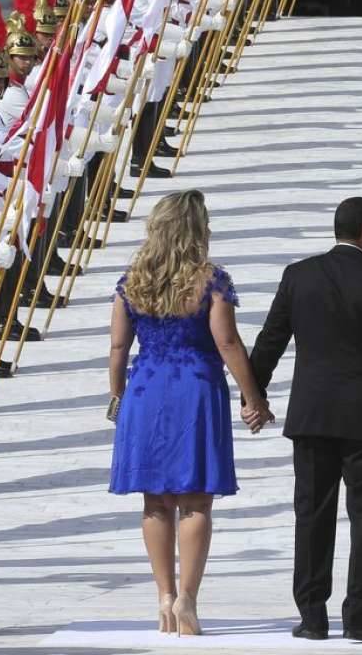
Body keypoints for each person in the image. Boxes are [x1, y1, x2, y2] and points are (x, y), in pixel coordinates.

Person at [249, 197, 362, 643]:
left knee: (312, 514)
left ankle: (312, 616)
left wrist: (254, 394)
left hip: (313, 415)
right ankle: (360, 615)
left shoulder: (299, 275)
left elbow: (270, 340)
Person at [107, 190, 273, 637]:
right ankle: (188, 598)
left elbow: (119, 347)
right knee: (196, 500)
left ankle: (163, 596)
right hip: (196, 390)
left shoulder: (132, 280)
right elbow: (228, 343)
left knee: (155, 501)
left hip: (145, 391)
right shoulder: (211, 280)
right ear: (196, 230)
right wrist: (252, 395)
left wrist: (117, 395)